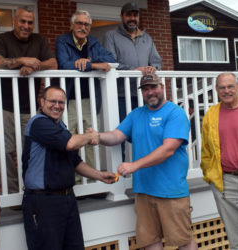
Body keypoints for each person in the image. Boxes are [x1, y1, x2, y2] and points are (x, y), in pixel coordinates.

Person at [92, 74, 198, 249]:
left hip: (170, 191)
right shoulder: (136, 114)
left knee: (183, 241)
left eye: (154, 87)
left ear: (162, 88)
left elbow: (168, 149)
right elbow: (116, 136)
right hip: (143, 191)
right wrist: (96, 136)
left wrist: (134, 165)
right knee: (150, 242)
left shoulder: (175, 113)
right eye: (146, 89)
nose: (150, 92)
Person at [21, 85, 116, 250]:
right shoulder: (38, 123)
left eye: (61, 102)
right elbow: (70, 143)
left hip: (67, 199)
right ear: (41, 101)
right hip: (43, 202)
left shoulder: (61, 127)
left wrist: (99, 175)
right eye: (52, 101)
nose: (57, 106)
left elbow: (75, 162)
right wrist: (91, 136)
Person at [0, 6, 57, 193]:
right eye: (22, 21)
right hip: (4, 106)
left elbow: (53, 63)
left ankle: (31, 189)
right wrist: (22, 60)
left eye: (30, 22)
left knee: (32, 150)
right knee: (4, 151)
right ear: (14, 21)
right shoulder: (1, 39)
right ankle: (12, 193)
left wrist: (35, 65)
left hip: (29, 108)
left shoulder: (39, 40)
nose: (26, 26)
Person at [55, 10, 115, 182]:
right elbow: (65, 64)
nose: (83, 27)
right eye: (79, 23)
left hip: (90, 98)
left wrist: (89, 63)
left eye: (86, 24)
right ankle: (71, 179)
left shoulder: (94, 42)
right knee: (69, 140)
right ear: (72, 25)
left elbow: (110, 60)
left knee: (91, 138)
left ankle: (92, 180)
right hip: (69, 98)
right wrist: (96, 65)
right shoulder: (62, 41)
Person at [200, 72, 238, 250]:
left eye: (230, 86)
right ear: (216, 90)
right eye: (222, 87)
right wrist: (210, 175)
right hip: (226, 181)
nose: (227, 91)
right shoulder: (211, 114)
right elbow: (206, 150)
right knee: (236, 238)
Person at [104, 2, 162, 122]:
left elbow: (156, 61)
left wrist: (154, 68)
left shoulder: (147, 38)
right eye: (128, 15)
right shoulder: (111, 36)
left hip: (144, 93)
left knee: (144, 129)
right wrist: (134, 70)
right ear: (122, 17)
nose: (132, 18)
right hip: (120, 94)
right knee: (122, 132)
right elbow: (110, 63)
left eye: (135, 15)